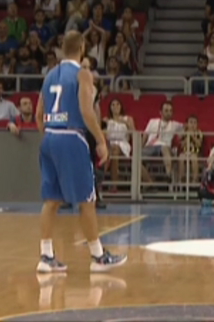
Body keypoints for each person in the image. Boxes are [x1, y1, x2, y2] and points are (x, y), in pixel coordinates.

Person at [35, 32, 127, 274]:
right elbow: (87, 111)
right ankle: (98, 256)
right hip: (71, 137)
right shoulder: (83, 74)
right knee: (87, 200)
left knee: (51, 200)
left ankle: (46, 256)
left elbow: (38, 115)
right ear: (82, 48)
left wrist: (50, 136)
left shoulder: (49, 75)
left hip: (49, 137)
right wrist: (101, 140)